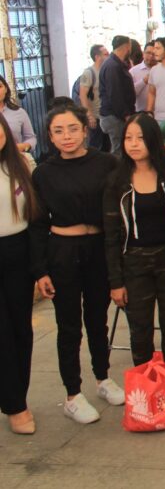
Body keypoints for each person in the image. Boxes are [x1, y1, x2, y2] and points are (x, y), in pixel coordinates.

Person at [30, 104, 124, 424]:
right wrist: (40, 269)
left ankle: (103, 378)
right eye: (58, 131)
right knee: (69, 325)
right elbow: (37, 223)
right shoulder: (43, 173)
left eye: (72, 129)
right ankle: (72, 394)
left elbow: (120, 211)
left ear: (86, 129)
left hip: (98, 249)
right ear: (50, 137)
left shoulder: (107, 163)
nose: (66, 136)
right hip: (62, 252)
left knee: (98, 319)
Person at [102, 113, 165, 367]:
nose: (134, 143)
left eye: (140, 137)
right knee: (140, 332)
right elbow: (111, 236)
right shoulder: (116, 182)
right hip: (134, 264)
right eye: (128, 138)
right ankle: (146, 389)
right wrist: (116, 282)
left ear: (153, 140)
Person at [0, 114, 40, 434]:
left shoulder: (22, 164)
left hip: (19, 254)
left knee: (21, 331)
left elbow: (36, 215)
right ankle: (15, 406)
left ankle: (18, 395)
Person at [97, 35, 137, 157]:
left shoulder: (116, 64)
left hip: (116, 115)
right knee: (119, 150)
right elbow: (115, 94)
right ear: (127, 46)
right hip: (115, 116)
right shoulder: (112, 66)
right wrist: (125, 115)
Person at [79, 44, 108, 149]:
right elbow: (83, 95)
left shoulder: (106, 70)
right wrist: (89, 115)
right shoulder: (89, 73)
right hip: (96, 116)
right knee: (95, 145)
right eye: (105, 54)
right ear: (97, 57)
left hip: (106, 116)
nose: (108, 57)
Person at [0, 76, 36, 152]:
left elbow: (31, 138)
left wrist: (23, 146)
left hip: (14, 160)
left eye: (0, 86)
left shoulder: (19, 112)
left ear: (6, 89)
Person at [129, 42, 158, 112]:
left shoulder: (163, 69)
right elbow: (130, 94)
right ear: (143, 53)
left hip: (161, 113)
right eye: (148, 53)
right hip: (141, 113)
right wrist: (143, 81)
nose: (151, 56)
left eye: (153, 54)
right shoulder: (133, 71)